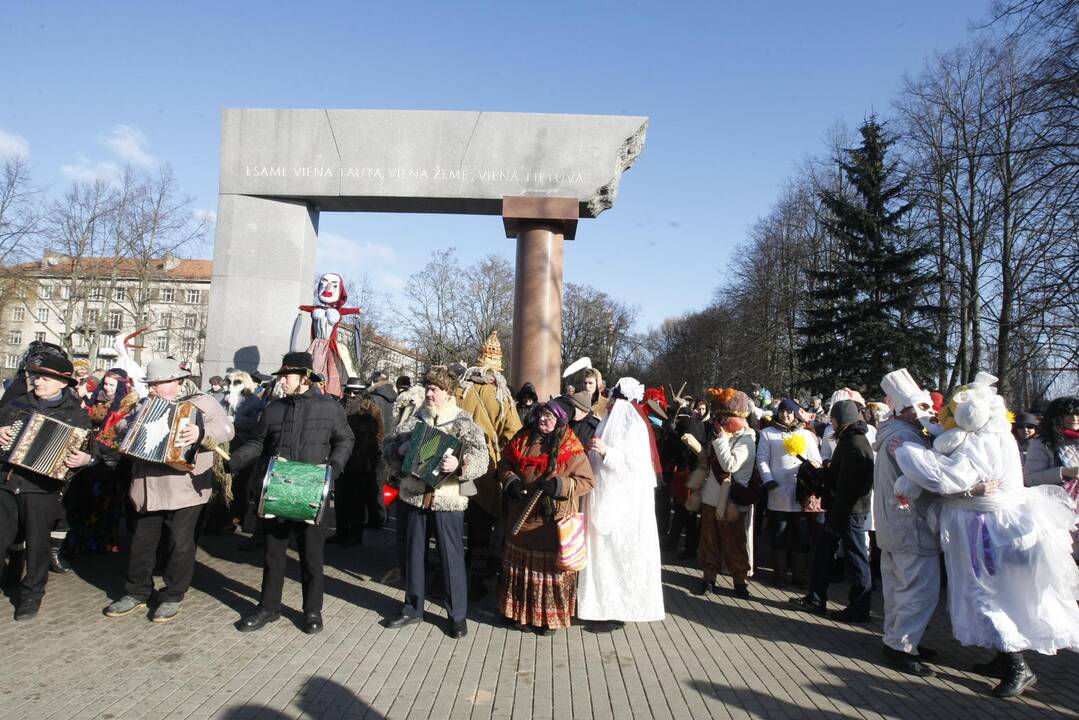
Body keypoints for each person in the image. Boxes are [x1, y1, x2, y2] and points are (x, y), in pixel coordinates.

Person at [893, 372, 1079, 698]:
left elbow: (947, 478)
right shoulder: (1000, 435)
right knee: (1002, 593)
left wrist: (906, 452)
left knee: (987, 595)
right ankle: (1001, 656)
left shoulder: (975, 442)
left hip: (986, 531)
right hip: (1002, 525)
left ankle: (1017, 666)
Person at [228, 352, 353, 635]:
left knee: (311, 555)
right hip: (277, 491)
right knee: (273, 554)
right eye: (281, 376)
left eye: (287, 376)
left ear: (305, 378)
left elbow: (346, 439)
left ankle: (312, 611)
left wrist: (331, 469)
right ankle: (268, 607)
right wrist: (233, 460)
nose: (282, 381)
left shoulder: (330, 408)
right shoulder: (274, 409)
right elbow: (258, 443)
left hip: (311, 492)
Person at [100, 359, 233, 623]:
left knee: (180, 545)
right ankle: (137, 592)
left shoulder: (202, 402)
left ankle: (173, 594)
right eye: (157, 384)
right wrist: (131, 426)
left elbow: (227, 429)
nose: (161, 388)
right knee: (142, 543)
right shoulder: (143, 405)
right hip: (147, 485)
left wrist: (200, 432)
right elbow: (120, 426)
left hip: (185, 486)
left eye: (165, 382)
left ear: (177, 382)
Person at [382, 366, 488, 639]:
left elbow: (482, 458)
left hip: (448, 501)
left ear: (448, 392)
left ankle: (457, 616)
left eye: (435, 389)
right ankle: (412, 608)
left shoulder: (463, 422)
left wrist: (460, 464)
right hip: (414, 497)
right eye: (427, 388)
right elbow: (388, 447)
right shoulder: (414, 420)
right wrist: (399, 450)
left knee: (451, 558)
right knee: (413, 555)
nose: (429, 393)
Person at [0, 354, 92, 620]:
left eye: (45, 378)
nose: (37, 381)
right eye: (37, 376)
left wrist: (84, 459)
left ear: (63, 383)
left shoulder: (76, 416)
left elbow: (88, 453)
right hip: (6, 481)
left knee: (38, 544)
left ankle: (32, 593)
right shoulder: (16, 404)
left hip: (42, 488)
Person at [497, 401, 593, 634]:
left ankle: (547, 619)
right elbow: (505, 463)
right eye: (541, 415)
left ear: (560, 420)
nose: (543, 419)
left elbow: (587, 481)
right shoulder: (523, 438)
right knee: (520, 568)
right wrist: (510, 480)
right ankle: (519, 614)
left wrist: (559, 485)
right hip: (522, 517)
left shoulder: (571, 445)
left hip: (551, 524)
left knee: (547, 572)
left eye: (549, 416)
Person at [577, 377, 665, 632]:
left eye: (613, 398)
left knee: (615, 557)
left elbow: (635, 466)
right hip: (603, 499)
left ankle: (615, 610)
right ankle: (598, 606)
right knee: (601, 555)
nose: (609, 402)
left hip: (622, 508)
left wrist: (607, 452)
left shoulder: (632, 425)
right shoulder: (608, 422)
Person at [873, 368, 939, 676]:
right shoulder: (903, 438)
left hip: (895, 524)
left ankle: (901, 639)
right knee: (916, 589)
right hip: (908, 524)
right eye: (921, 409)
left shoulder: (897, 433)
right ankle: (901, 646)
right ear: (906, 410)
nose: (927, 415)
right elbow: (924, 476)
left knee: (899, 586)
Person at [790, 399, 874, 621]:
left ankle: (859, 607)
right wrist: (824, 473)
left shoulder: (855, 444)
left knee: (856, 558)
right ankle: (816, 598)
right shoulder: (849, 441)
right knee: (824, 554)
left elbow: (851, 487)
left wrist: (836, 519)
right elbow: (842, 477)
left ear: (840, 420)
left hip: (848, 512)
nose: (831, 423)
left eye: (833, 419)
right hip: (841, 509)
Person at [66, 367, 137, 554]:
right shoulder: (94, 400)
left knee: (107, 504)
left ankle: (102, 542)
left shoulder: (126, 406)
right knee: (84, 502)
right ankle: (80, 540)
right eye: (105, 383)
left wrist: (100, 444)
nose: (106, 388)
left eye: (111, 385)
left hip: (111, 460)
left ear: (120, 386)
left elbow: (118, 434)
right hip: (88, 456)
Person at [696, 388, 757, 597]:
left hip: (732, 501)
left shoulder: (747, 440)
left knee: (734, 542)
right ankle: (708, 579)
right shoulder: (720, 435)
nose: (720, 421)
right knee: (709, 540)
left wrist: (721, 440)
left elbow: (730, 464)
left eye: (724, 417)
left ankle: (740, 582)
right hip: (711, 498)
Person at [756, 398, 822, 586]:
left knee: (801, 535)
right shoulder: (768, 433)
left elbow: (815, 459)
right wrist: (768, 480)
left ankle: (800, 574)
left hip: (800, 492)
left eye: (790, 412)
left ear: (796, 414)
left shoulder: (806, 435)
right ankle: (780, 574)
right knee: (779, 533)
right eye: (783, 411)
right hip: (778, 492)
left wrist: (812, 475)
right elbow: (762, 459)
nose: (786, 415)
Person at [329, 377, 383, 545]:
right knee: (340, 499)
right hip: (340, 459)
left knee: (357, 501)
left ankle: (355, 535)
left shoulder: (371, 408)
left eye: (356, 392)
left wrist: (370, 457)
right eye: (349, 391)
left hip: (360, 462)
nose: (351, 395)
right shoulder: (337, 406)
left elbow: (379, 434)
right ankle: (341, 531)